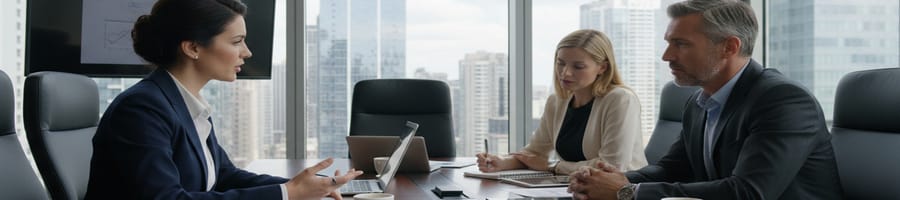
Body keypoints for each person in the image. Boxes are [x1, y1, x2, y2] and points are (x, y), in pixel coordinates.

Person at [84, 0, 362, 199]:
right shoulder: (142, 109)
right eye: (236, 41)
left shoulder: (185, 102)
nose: (247, 52)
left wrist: (308, 185)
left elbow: (225, 175)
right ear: (193, 47)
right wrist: (287, 193)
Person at [567, 0, 843, 199]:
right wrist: (612, 180)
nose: (666, 56)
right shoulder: (699, 102)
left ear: (729, 47)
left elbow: (749, 192)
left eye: (681, 44)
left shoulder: (783, 100)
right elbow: (673, 169)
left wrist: (629, 192)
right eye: (668, 42)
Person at [476, 29, 647, 175]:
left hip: (619, 192)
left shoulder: (620, 99)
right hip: (572, 188)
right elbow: (534, 154)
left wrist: (553, 166)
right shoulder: (557, 102)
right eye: (560, 63)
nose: (565, 73)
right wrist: (501, 162)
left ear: (602, 67)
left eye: (578, 67)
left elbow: (611, 166)